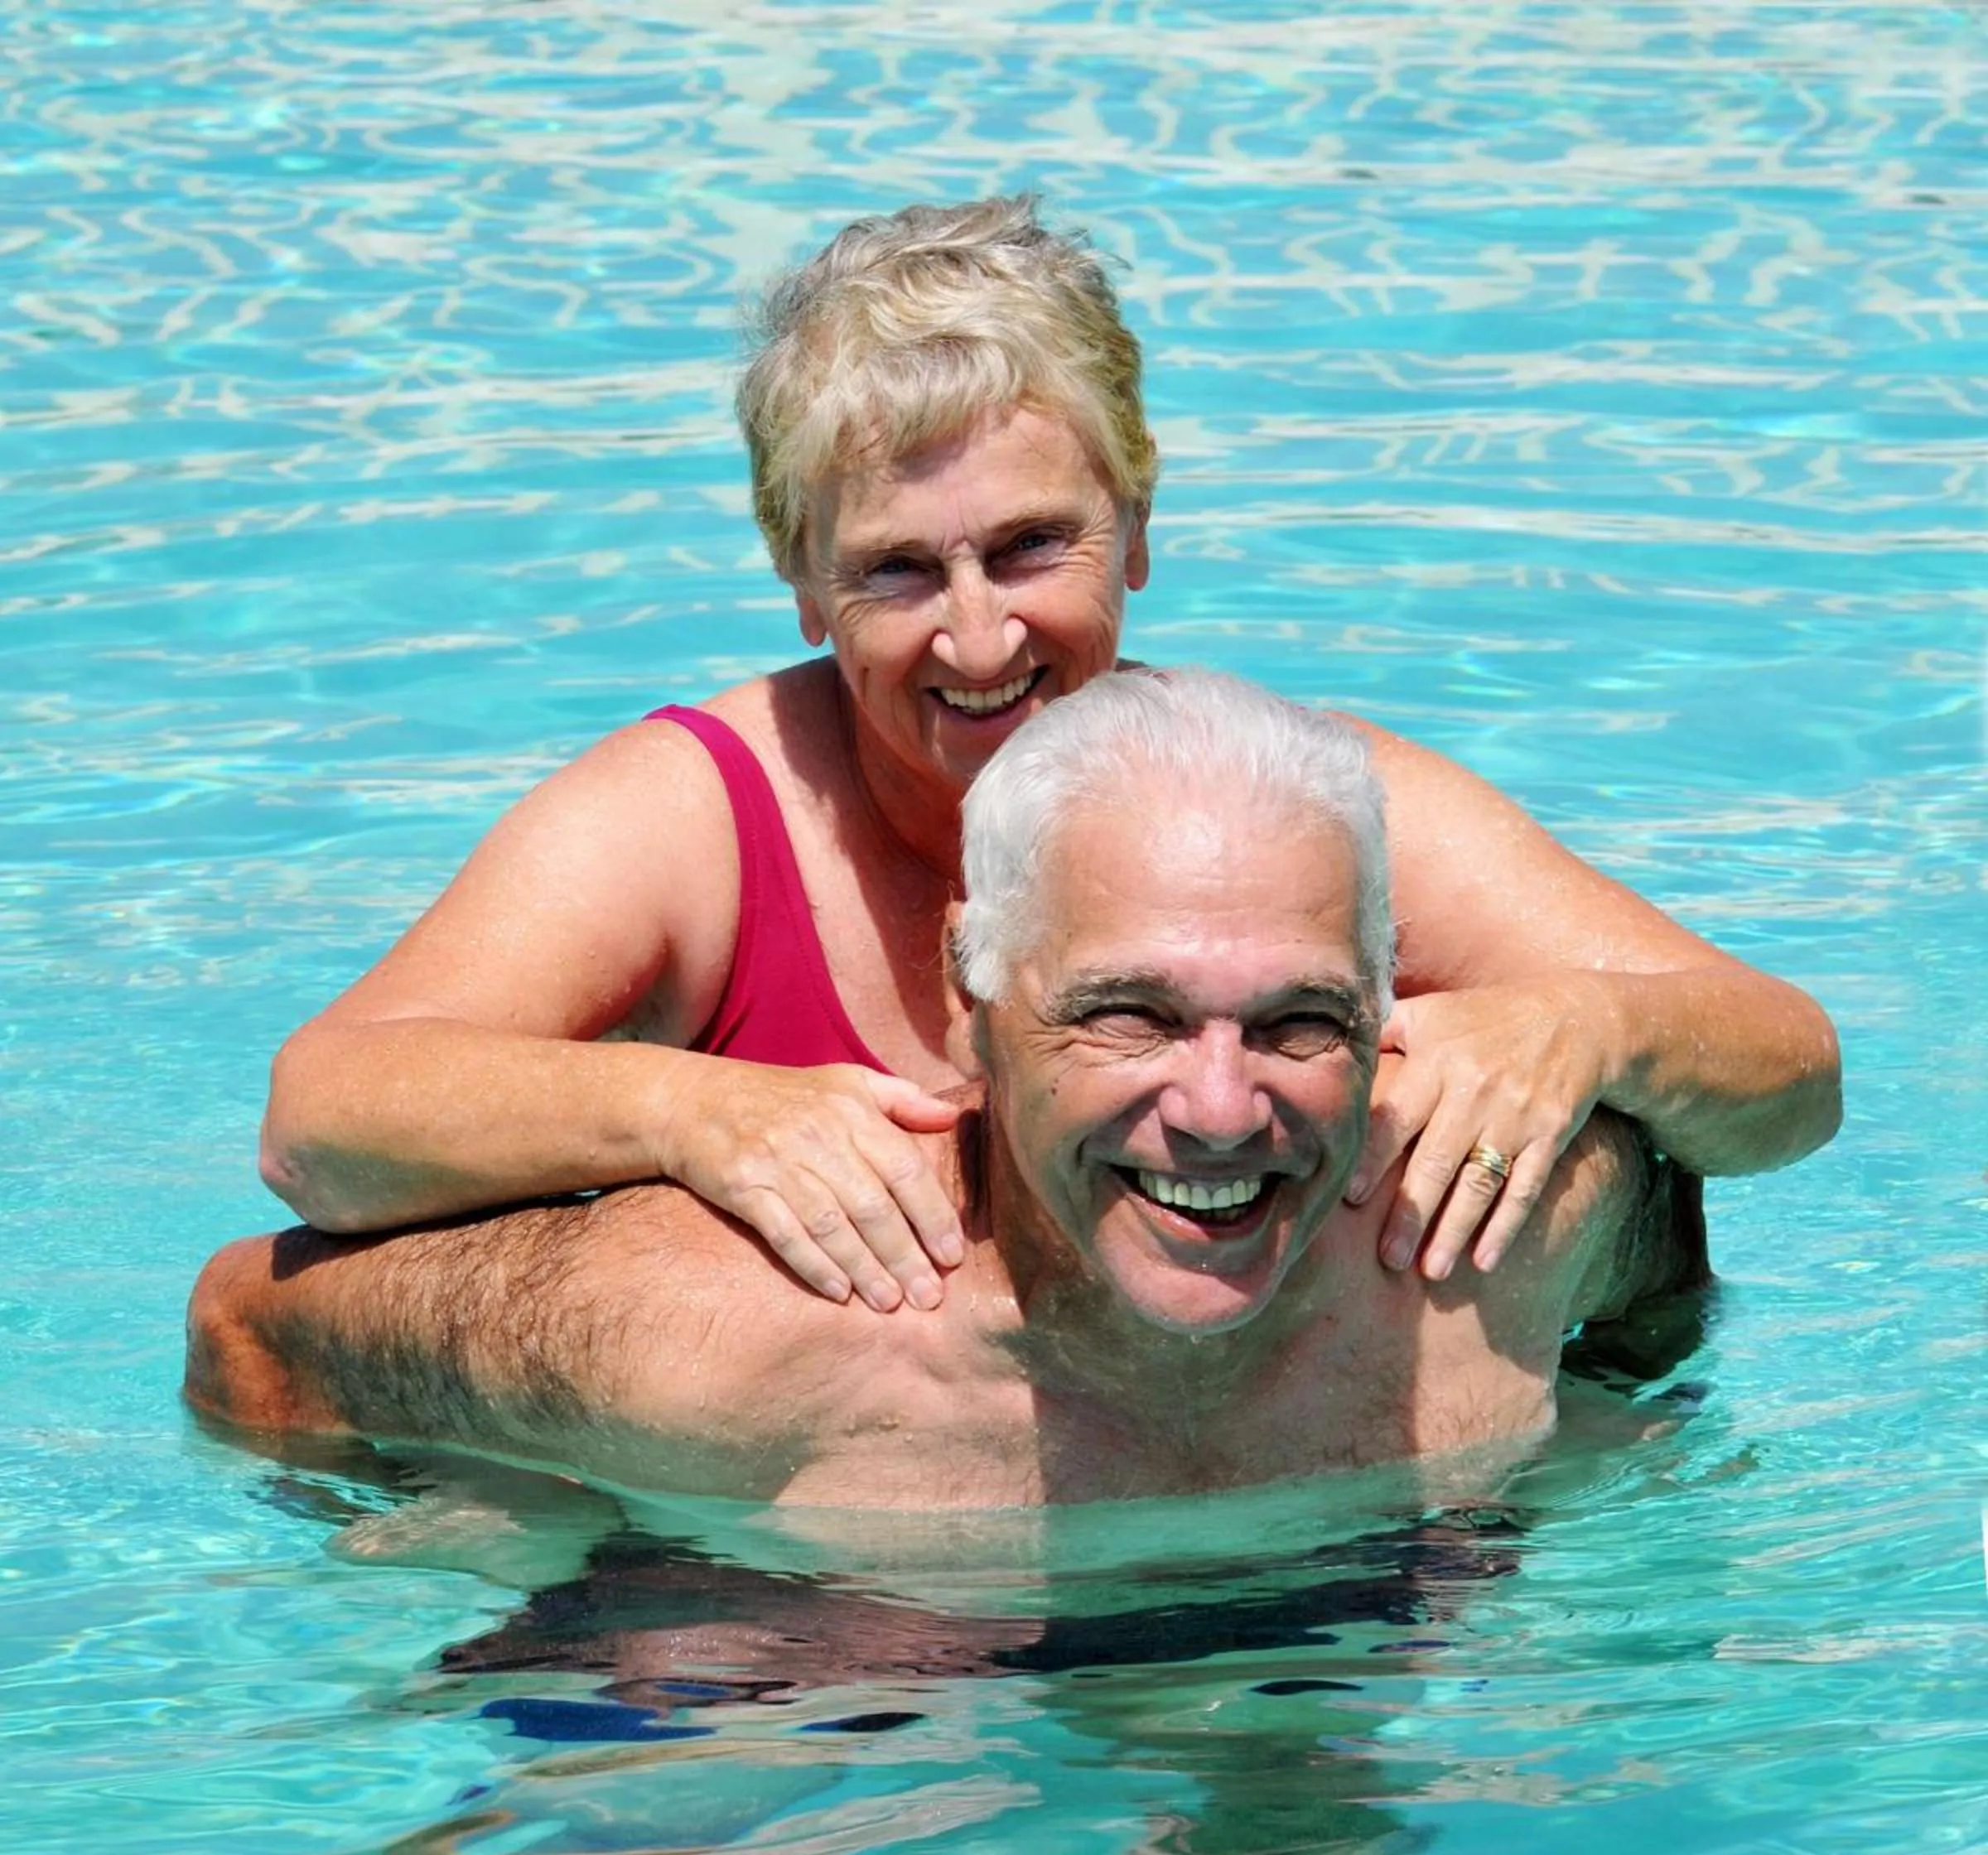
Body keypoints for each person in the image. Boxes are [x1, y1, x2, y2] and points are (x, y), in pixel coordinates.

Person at [255, 197, 1836, 1318]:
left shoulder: (1273, 809)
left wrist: (1581, 1032)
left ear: (1138, 533)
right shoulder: (703, 821)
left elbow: (1789, 1080)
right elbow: (322, 1123)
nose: (977, 639)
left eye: (1031, 547)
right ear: (797, 580)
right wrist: (694, 1117)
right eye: (893, 570)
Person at [192, 670, 1709, 1510]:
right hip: (776, 1678)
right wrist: (466, 1546)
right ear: (970, 1013)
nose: (1225, 1109)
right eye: (1130, 1017)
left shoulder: (1477, 1240)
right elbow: (251, 1322)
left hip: (1323, 1653)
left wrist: (1607, 1418)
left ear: (1393, 1012)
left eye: (1299, 1022)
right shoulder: (731, 1338)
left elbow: (1666, 1228)